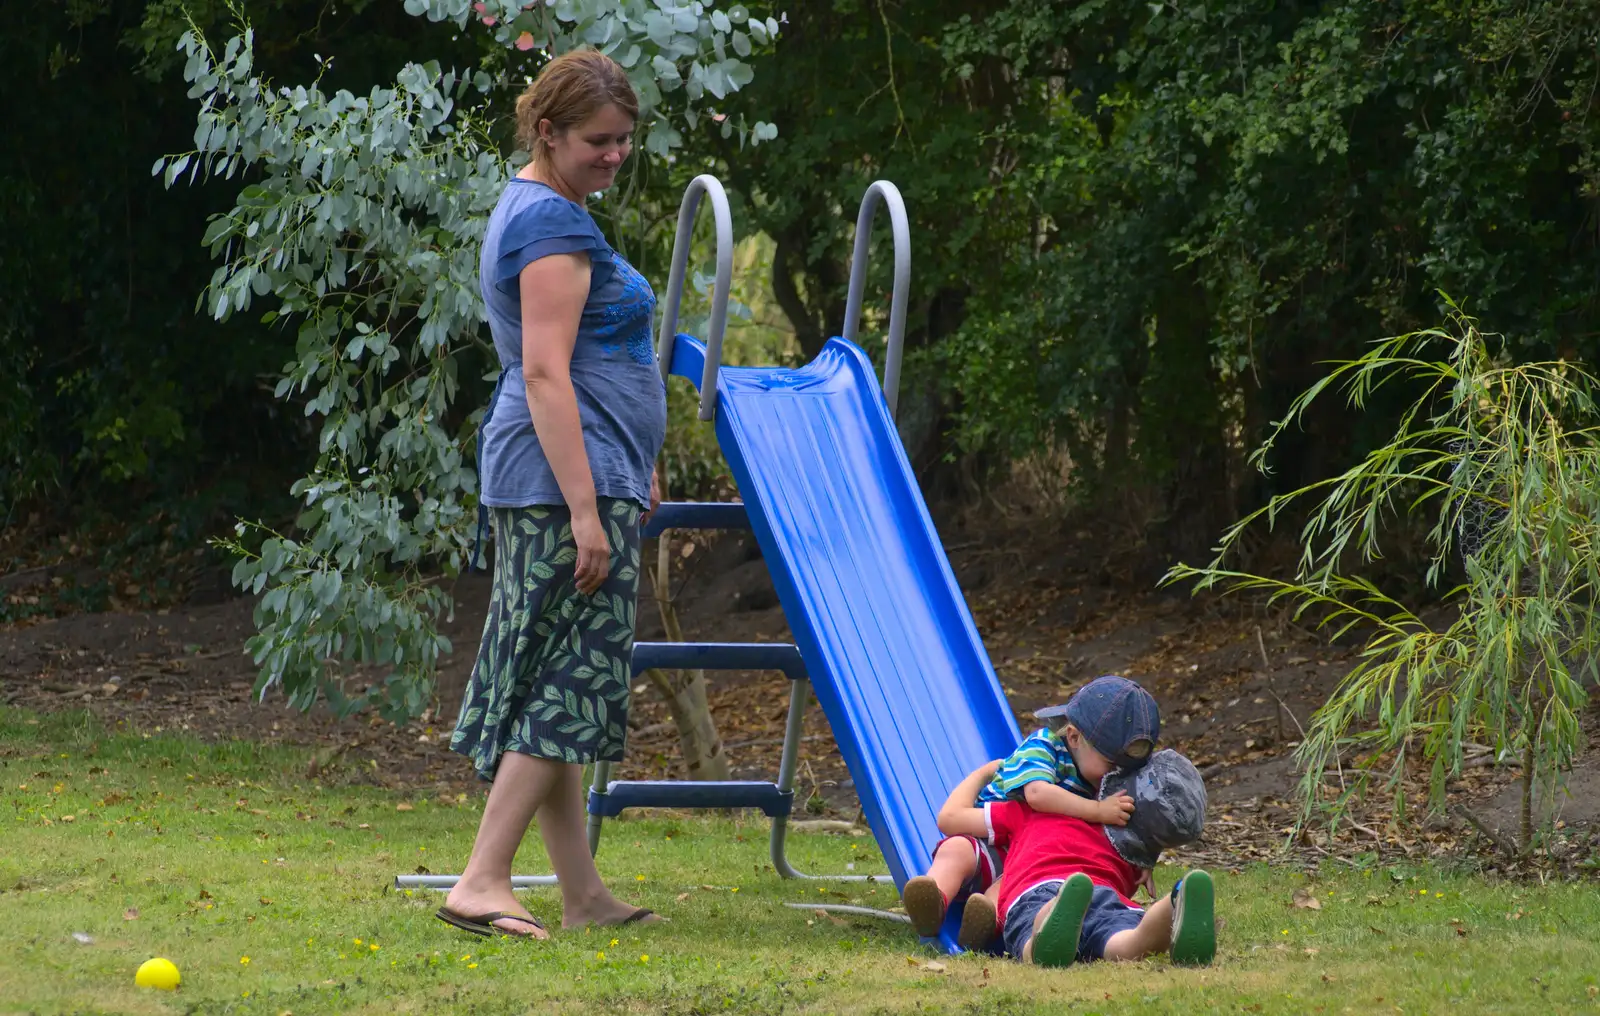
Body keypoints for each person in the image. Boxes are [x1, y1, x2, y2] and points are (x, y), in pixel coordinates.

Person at [435, 49, 668, 940]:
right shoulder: (553, 229)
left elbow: (585, 364)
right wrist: (584, 505)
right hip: (560, 483)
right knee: (572, 676)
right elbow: (542, 372)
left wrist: (633, 455)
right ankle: (483, 878)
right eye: (598, 141)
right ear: (548, 132)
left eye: (625, 140)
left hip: (581, 471)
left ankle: (582, 894)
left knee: (557, 681)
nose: (615, 155)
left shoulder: (545, 208)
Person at [901, 675, 1160, 949]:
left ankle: (984, 922)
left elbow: (1129, 823)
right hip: (991, 840)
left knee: (1014, 886)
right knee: (956, 850)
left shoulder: (1106, 778)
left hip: (1033, 858)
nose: (1117, 772)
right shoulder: (1044, 746)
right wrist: (1097, 809)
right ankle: (933, 899)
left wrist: (1141, 860)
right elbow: (1037, 795)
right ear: (1073, 737)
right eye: (1111, 762)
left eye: (1126, 767)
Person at [934, 753, 1215, 967]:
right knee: (1122, 938)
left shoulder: (1031, 810)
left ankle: (1048, 925)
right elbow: (1128, 879)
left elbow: (951, 819)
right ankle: (1174, 903)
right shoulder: (1125, 845)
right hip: (1103, 892)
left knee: (1031, 933)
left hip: (1036, 889)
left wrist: (984, 773)